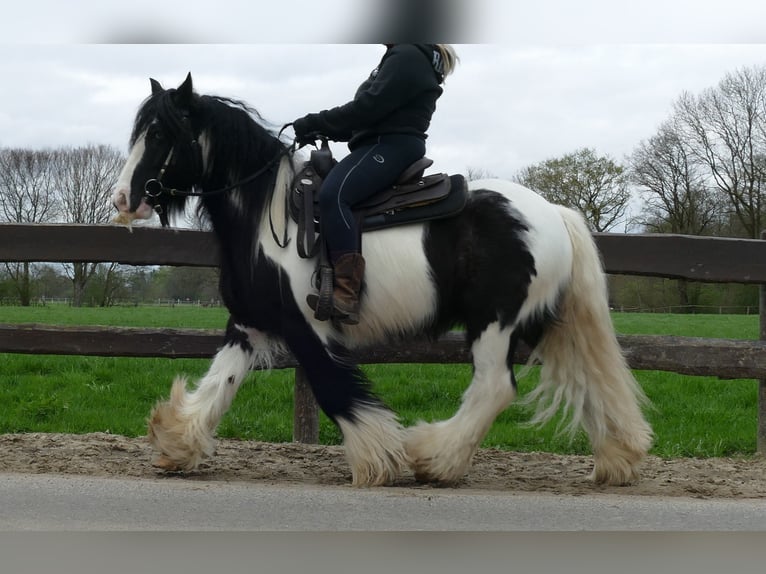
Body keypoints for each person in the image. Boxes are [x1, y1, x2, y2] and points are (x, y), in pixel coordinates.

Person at [293, 43, 458, 325]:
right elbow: (364, 118)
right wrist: (320, 128)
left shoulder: (407, 55)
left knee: (335, 194)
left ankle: (346, 293)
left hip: (389, 144)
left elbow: (368, 108)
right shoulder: (406, 55)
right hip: (382, 142)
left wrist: (313, 121)